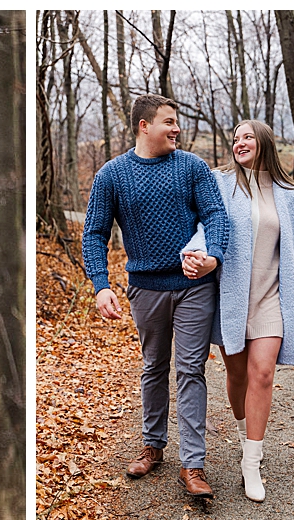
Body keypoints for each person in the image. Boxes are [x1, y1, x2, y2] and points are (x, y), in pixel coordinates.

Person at [82, 94, 232, 499]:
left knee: (190, 370)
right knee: (153, 366)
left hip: (193, 287)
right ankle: (153, 446)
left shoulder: (192, 167)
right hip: (145, 289)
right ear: (144, 125)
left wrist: (212, 258)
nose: (176, 129)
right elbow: (94, 233)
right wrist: (101, 285)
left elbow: (216, 215)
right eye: (168, 122)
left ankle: (194, 465)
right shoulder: (112, 175)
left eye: (177, 122)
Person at [181, 120, 294, 502]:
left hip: (272, 296)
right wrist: (199, 254)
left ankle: (251, 462)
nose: (240, 142)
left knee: (262, 372)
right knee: (237, 373)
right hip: (231, 296)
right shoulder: (220, 184)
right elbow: (207, 227)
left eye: (247, 137)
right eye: (236, 137)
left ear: (264, 143)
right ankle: (245, 435)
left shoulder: (291, 196)